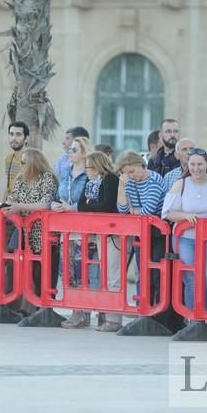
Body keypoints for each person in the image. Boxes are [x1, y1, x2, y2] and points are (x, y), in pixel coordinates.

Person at [116, 151, 175, 330]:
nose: (132, 176)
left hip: (159, 232)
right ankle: (145, 310)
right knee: (144, 273)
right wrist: (121, 186)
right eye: (128, 173)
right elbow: (122, 209)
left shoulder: (155, 180)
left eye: (133, 171)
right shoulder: (130, 182)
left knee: (157, 273)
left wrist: (135, 211)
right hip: (142, 231)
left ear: (142, 165)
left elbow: (148, 210)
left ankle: (158, 314)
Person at [162, 148, 207, 318]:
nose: (196, 168)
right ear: (187, 165)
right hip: (186, 237)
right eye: (192, 164)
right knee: (190, 276)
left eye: (200, 164)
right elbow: (166, 213)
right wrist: (185, 216)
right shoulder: (181, 184)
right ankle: (192, 317)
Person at [67, 151, 122, 331]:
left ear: (99, 166)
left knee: (113, 275)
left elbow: (107, 206)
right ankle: (105, 315)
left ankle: (113, 319)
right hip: (98, 232)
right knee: (102, 273)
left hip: (113, 233)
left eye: (89, 167)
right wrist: (91, 204)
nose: (87, 170)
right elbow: (82, 205)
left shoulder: (110, 179)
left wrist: (91, 204)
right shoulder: (91, 181)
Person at [2, 148, 59, 308]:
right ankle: (18, 305)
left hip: (42, 233)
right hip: (22, 231)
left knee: (42, 272)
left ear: (34, 163)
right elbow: (12, 199)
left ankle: (43, 306)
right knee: (19, 269)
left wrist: (19, 206)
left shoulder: (47, 178)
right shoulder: (20, 179)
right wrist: (8, 208)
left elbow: (46, 203)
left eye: (24, 162)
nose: (21, 165)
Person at [52, 136, 93, 328]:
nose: (70, 152)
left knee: (81, 271)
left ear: (84, 153)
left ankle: (81, 312)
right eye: (70, 149)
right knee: (65, 271)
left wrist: (72, 208)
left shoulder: (90, 174)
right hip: (65, 229)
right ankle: (75, 310)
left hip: (83, 229)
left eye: (74, 149)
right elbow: (56, 195)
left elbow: (90, 201)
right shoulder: (65, 171)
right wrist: (56, 205)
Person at [4, 121, 29, 203]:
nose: (14, 138)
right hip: (10, 206)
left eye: (18, 134)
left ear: (26, 138)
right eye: (11, 134)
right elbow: (8, 187)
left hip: (25, 206)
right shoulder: (8, 158)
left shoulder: (31, 158)